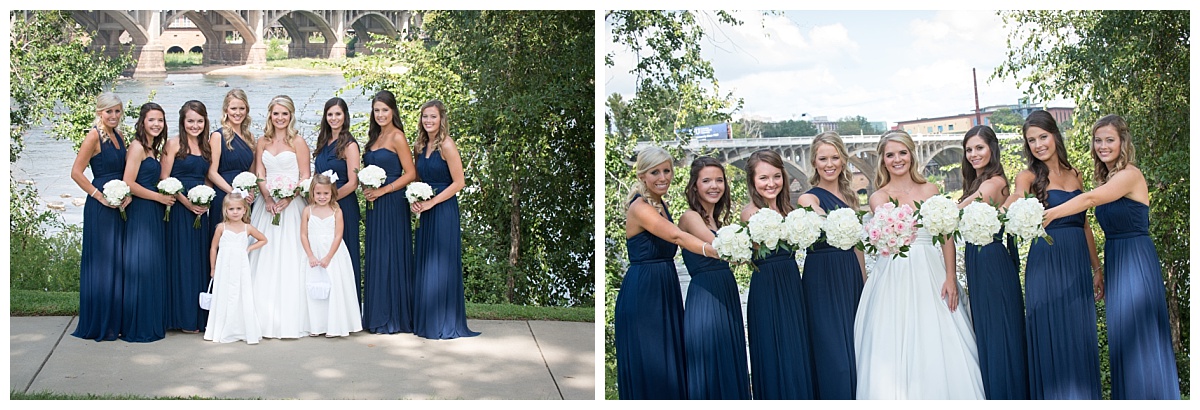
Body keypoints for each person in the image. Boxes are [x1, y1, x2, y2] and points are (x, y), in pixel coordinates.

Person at [1043, 114, 1179, 399]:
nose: (1103, 146)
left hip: (1137, 260)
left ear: (1122, 142)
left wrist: (1051, 213)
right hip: (1117, 259)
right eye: (1098, 140)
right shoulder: (1107, 177)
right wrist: (1099, 269)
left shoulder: (1130, 174)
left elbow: (1090, 200)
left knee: (1139, 336)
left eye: (1109, 140)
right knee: (1123, 339)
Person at [854, 130, 985, 399]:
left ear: (912, 155)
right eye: (890, 155)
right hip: (893, 275)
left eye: (902, 152)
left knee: (938, 337)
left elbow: (946, 235)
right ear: (883, 160)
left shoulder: (931, 190)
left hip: (930, 271)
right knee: (894, 338)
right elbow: (882, 244)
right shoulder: (878, 197)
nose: (897, 159)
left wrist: (950, 276)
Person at [1003, 110, 1103, 399]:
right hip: (1046, 264)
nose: (1038, 145)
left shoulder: (1076, 174)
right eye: (1031, 140)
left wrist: (1096, 268)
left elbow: (1084, 223)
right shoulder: (1028, 176)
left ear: (1055, 135)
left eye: (1042, 137)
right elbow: (1016, 201)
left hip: (1076, 265)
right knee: (1051, 334)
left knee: (1079, 335)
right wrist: (999, 209)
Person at [615, 146, 719, 400]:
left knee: (670, 361)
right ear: (642, 176)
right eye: (655, 172)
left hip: (665, 287)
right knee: (654, 363)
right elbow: (676, 236)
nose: (663, 178)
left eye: (667, 171)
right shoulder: (640, 207)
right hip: (644, 294)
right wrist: (717, 249)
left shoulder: (661, 203)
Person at [955, 125, 1029, 399]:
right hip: (979, 261)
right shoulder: (976, 181)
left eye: (980, 148)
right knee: (988, 330)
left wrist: (933, 213)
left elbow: (961, 210)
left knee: (1000, 332)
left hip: (992, 263)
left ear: (992, 149)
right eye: (969, 149)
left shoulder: (993, 183)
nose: (974, 154)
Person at [794, 132, 864, 399]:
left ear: (844, 160)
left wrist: (864, 281)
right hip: (823, 279)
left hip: (850, 275)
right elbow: (821, 219)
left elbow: (857, 246)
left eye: (835, 157)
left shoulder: (851, 197)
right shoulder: (808, 199)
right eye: (823, 158)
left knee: (856, 345)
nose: (829, 164)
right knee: (833, 350)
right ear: (814, 162)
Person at [740, 149, 815, 400]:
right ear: (752, 181)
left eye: (776, 176)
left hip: (792, 285)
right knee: (774, 351)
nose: (771, 183)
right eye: (763, 178)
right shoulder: (750, 214)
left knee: (796, 348)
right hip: (767, 288)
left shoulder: (788, 209)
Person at [676, 156, 750, 399]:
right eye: (706, 180)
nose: (714, 186)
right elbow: (719, 246)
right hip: (706, 297)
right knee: (711, 363)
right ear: (694, 185)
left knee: (729, 358)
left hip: (726, 292)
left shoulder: (717, 220)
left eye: (719, 180)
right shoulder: (690, 218)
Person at [411, 100, 480, 340]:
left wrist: (432, 202)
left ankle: (443, 323)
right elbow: (418, 179)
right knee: (425, 263)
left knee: (441, 265)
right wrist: (416, 199)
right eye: (425, 117)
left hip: (443, 210)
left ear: (441, 119)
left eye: (433, 117)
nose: (428, 121)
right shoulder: (420, 146)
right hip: (426, 210)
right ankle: (426, 321)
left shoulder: (447, 146)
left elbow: (459, 182)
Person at [249, 95, 312, 339]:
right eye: (276, 113)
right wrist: (266, 197)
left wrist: (289, 197)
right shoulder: (262, 141)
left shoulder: (298, 142)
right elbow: (259, 172)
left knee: (290, 257)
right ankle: (261, 316)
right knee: (264, 256)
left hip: (291, 207)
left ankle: (292, 317)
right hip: (267, 207)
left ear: (291, 115)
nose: (280, 118)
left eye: (284, 113)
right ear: (270, 115)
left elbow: (305, 175)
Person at [70, 92, 130, 341]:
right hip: (101, 207)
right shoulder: (94, 136)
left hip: (120, 205)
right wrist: (98, 195)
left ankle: (114, 320)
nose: (113, 116)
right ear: (99, 112)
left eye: (117, 111)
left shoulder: (119, 136)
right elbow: (76, 172)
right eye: (109, 112)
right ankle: (100, 323)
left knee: (118, 263)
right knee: (103, 263)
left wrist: (126, 195)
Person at [361, 90, 418, 334]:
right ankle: (376, 315)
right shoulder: (374, 137)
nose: (381, 114)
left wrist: (384, 191)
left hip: (393, 203)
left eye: (385, 110)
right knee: (377, 254)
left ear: (393, 111)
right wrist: (366, 186)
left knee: (392, 253)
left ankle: (394, 317)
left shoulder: (397, 137)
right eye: (377, 110)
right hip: (374, 205)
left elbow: (411, 173)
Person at [118, 102, 174, 343]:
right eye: (152, 120)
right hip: (141, 212)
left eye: (160, 120)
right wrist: (159, 197)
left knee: (152, 266)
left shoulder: (153, 148)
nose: (156, 124)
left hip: (154, 212)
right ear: (142, 122)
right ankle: (138, 326)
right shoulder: (138, 147)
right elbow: (129, 182)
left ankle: (152, 321)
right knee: (142, 266)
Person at [161, 100, 214, 334]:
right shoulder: (173, 144)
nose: (195, 125)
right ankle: (181, 317)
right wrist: (186, 202)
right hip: (180, 210)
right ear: (183, 121)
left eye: (199, 121)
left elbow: (208, 177)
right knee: (181, 261)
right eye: (190, 121)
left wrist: (206, 200)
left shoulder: (207, 146)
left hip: (201, 211)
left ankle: (199, 316)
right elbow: (164, 179)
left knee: (199, 260)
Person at [301, 173, 364, 338]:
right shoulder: (308, 210)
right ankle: (315, 325)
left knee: (333, 286)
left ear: (332, 193)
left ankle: (335, 325)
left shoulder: (336, 210)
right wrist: (310, 255)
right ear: (312, 193)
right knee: (313, 286)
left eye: (326, 193)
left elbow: (338, 235)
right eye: (318, 193)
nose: (322, 197)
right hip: (313, 252)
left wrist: (329, 256)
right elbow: (303, 235)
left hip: (333, 253)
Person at [313, 97, 362, 299]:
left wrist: (331, 201)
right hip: (322, 209)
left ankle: (347, 308)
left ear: (345, 117)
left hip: (343, 207)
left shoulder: (349, 145)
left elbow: (353, 182)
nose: (334, 118)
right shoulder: (323, 142)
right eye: (330, 114)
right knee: (323, 255)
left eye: (338, 114)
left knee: (345, 256)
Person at [204, 190, 266, 344]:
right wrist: (213, 268)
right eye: (231, 209)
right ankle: (222, 329)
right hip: (224, 267)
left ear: (245, 209)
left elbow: (263, 239)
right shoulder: (221, 227)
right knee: (225, 294)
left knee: (240, 293)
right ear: (225, 210)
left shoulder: (247, 228)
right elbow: (213, 248)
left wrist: (249, 249)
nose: (235, 212)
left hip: (241, 266)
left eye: (239, 209)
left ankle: (241, 328)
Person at [206, 88, 256, 236]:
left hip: (245, 198)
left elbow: (252, 172)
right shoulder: (217, 136)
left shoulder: (250, 137)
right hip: (224, 195)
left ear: (247, 110)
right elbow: (211, 172)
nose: (237, 112)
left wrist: (251, 192)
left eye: (242, 108)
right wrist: (233, 192)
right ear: (226, 110)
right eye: (233, 108)